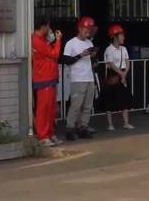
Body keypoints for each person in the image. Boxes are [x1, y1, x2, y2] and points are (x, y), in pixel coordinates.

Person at [62, 16, 99, 140]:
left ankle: (83, 127)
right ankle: (70, 128)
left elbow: (92, 60)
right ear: (79, 28)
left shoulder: (89, 43)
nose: (88, 33)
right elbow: (66, 60)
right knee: (76, 106)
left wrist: (93, 55)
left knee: (87, 106)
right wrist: (80, 55)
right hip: (77, 78)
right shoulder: (71, 43)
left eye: (89, 31)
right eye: (86, 30)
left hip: (89, 77)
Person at [31, 19, 62, 147]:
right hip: (43, 78)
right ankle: (43, 136)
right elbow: (54, 54)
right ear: (43, 27)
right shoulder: (37, 41)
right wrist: (58, 40)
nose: (49, 30)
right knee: (43, 109)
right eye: (48, 27)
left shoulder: (43, 40)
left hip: (50, 77)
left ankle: (50, 133)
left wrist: (52, 40)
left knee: (50, 109)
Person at [102, 24, 134, 131]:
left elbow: (127, 62)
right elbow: (111, 64)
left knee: (125, 99)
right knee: (110, 99)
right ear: (115, 37)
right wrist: (121, 74)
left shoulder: (124, 49)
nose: (123, 37)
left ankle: (126, 123)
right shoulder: (108, 50)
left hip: (123, 74)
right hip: (113, 75)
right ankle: (110, 124)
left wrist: (125, 73)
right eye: (121, 35)